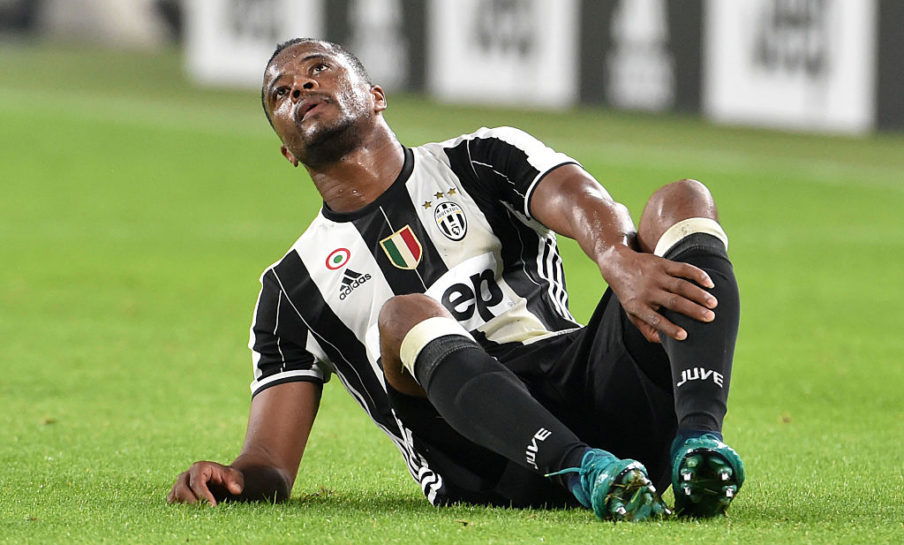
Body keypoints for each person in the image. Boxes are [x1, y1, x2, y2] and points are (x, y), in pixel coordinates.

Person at [167, 38, 745, 521]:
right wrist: (233, 478)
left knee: (682, 201)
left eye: (318, 69)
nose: (299, 89)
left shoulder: (483, 158)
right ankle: (583, 469)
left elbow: (578, 198)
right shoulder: (290, 289)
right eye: (281, 93)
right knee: (402, 314)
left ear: (375, 94)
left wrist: (616, 257)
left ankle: (700, 445)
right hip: (480, 461)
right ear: (287, 150)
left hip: (584, 381)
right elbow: (270, 461)